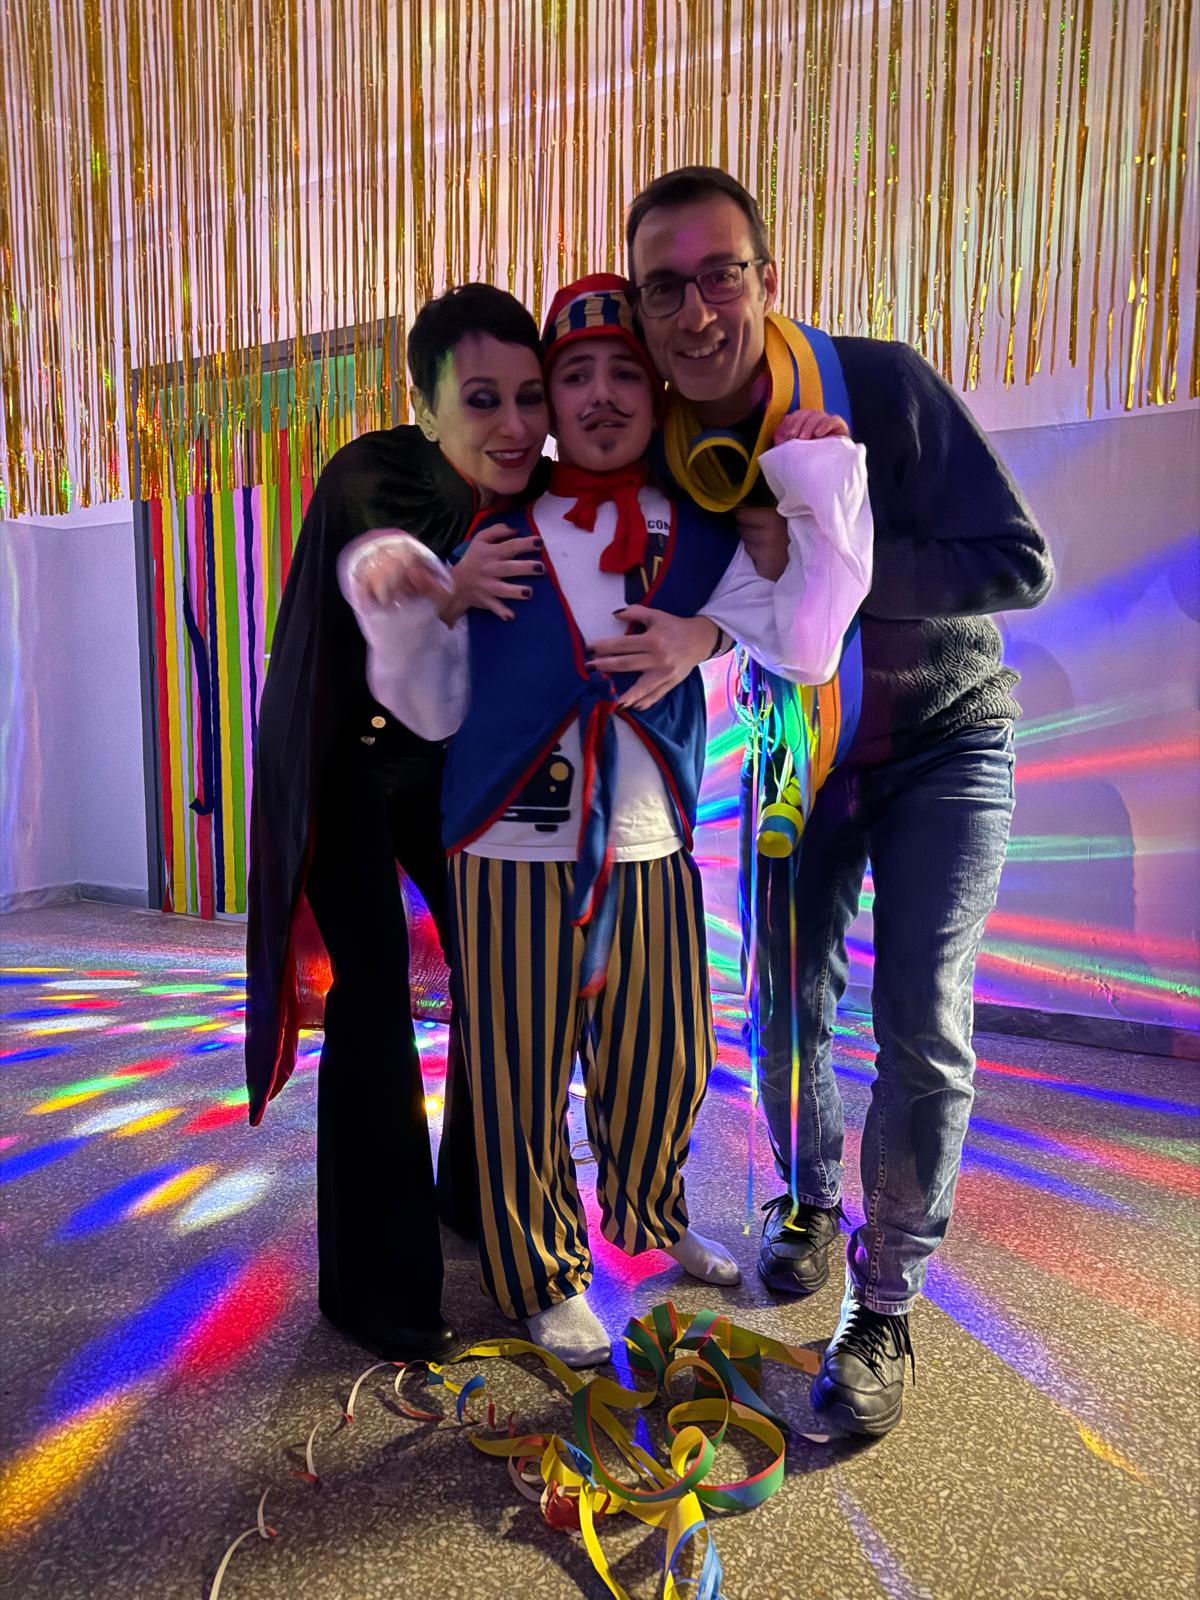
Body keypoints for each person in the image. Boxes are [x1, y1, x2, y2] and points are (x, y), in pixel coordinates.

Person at [339, 274, 873, 1367]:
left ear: (657, 388)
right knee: (520, 1074)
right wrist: (423, 593)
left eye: (622, 370)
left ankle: (649, 1210)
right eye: (572, 375)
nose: (597, 396)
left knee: (666, 1056)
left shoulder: (706, 528)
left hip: (651, 842)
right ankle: (542, 1270)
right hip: (506, 844)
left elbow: (804, 637)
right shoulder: (490, 527)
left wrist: (814, 484)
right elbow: (426, 691)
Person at [626, 167, 1054, 1434]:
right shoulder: (664, 437)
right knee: (783, 1000)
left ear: (767, 281)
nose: (696, 311)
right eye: (664, 287)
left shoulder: (879, 383)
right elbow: (712, 597)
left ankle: (887, 1298)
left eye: (720, 275)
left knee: (920, 1021)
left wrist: (830, 547)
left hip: (944, 740)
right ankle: (809, 1196)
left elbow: (1017, 561)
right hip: (787, 743)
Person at [244, 285, 552, 1362]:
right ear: (424, 407)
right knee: (373, 999)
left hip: (449, 770)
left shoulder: (539, 491)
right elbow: (387, 579)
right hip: (346, 765)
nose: (513, 425)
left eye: (530, 397)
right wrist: (447, 585)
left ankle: (477, 1196)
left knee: (501, 971)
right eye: (482, 399)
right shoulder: (371, 476)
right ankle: (374, 1293)